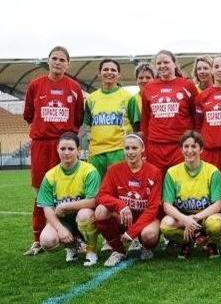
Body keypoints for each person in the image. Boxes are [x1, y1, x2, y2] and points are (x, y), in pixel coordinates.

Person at [23, 46, 84, 256]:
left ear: (68, 64)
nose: (58, 62)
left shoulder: (74, 88)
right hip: (42, 145)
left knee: (74, 191)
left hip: (65, 145)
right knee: (41, 193)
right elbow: (29, 115)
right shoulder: (35, 85)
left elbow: (77, 119)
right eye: (54, 58)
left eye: (62, 59)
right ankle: (38, 239)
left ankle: (78, 236)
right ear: (48, 61)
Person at [95, 133, 163, 266]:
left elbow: (153, 208)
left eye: (134, 148)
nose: (130, 152)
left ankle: (145, 247)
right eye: (127, 148)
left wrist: (132, 232)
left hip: (146, 218)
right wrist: (121, 205)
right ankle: (118, 250)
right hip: (124, 217)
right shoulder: (114, 170)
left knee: (149, 235)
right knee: (100, 211)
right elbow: (102, 195)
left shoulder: (154, 172)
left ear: (142, 149)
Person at [36, 132, 100, 266]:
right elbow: (47, 208)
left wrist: (65, 207)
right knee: (47, 241)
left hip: (85, 218)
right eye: (63, 148)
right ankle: (72, 246)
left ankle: (91, 250)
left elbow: (93, 201)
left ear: (79, 151)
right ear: (57, 149)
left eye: (71, 149)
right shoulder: (50, 175)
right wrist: (59, 228)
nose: (66, 152)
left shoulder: (89, 171)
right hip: (64, 221)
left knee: (84, 215)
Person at [160, 131, 221, 259]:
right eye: (186, 146)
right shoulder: (172, 172)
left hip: (206, 216)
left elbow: (218, 204)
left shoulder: (213, 171)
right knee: (166, 225)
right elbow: (167, 205)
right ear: (181, 149)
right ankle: (187, 242)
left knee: (215, 225)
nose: (190, 150)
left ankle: (211, 242)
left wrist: (194, 218)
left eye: (194, 146)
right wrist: (185, 219)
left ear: (201, 149)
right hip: (183, 217)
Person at [140, 50, 199, 174]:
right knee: (157, 184)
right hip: (155, 147)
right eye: (159, 63)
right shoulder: (149, 87)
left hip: (180, 145)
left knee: (179, 182)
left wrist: (193, 142)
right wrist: (145, 147)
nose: (162, 66)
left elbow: (196, 117)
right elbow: (145, 119)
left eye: (166, 62)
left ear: (174, 64)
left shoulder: (187, 85)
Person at [84, 59, 140, 178]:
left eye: (113, 70)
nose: (109, 72)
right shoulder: (91, 99)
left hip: (119, 151)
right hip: (96, 153)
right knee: (96, 191)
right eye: (106, 69)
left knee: (118, 188)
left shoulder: (128, 98)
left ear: (118, 75)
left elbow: (136, 126)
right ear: (99, 73)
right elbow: (88, 125)